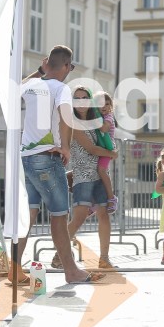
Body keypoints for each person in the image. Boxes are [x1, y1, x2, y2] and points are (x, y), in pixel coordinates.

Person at [14, 46, 101, 284]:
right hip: (47, 158)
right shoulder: (61, 88)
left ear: (47, 64)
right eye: (70, 67)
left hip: (27, 158)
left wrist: (39, 71)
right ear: (64, 65)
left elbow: (16, 88)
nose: (70, 72)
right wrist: (65, 147)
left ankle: (14, 267)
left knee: (29, 214)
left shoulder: (32, 86)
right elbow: (66, 117)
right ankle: (71, 270)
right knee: (59, 215)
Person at [53, 86, 119, 271]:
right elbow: (91, 149)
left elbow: (106, 135)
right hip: (83, 175)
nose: (81, 101)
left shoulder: (94, 121)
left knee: (104, 215)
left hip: (98, 175)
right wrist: (112, 153)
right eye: (77, 98)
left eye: (84, 97)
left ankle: (104, 258)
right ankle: (59, 255)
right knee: (79, 217)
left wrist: (108, 152)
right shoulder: (73, 123)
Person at [95, 91, 118, 213]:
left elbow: (104, 128)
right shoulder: (100, 117)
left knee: (101, 171)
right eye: (101, 104)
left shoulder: (108, 117)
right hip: (101, 148)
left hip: (108, 148)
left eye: (107, 104)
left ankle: (111, 197)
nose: (105, 106)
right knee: (96, 174)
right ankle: (96, 202)